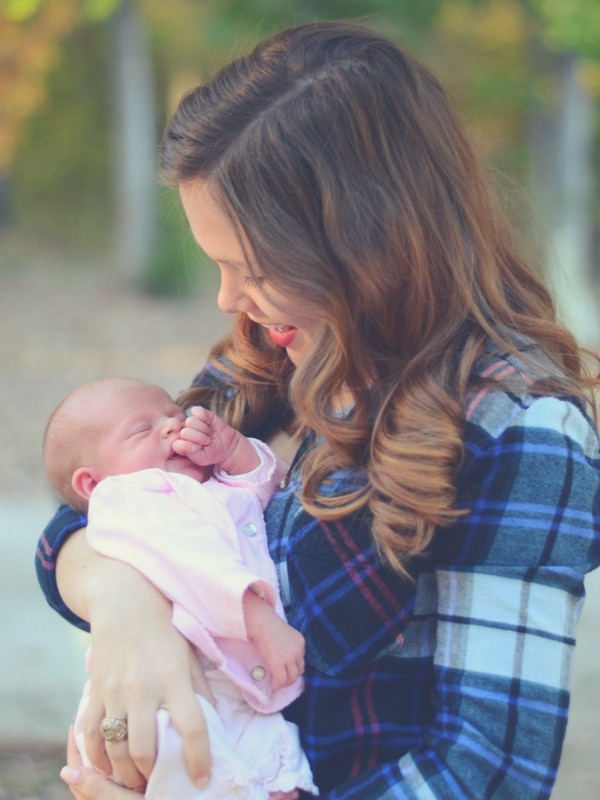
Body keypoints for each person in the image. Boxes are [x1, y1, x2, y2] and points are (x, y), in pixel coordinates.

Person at [35, 20, 600, 800]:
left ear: (365, 242)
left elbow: (485, 772)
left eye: (253, 267)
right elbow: (85, 506)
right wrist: (125, 606)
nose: (229, 298)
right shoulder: (271, 354)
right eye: (220, 266)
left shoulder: (520, 425)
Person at [42, 376, 317, 800]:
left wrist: (238, 454)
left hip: (237, 682)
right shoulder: (130, 500)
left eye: (174, 413)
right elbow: (193, 559)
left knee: (272, 769)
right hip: (177, 681)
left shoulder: (204, 486)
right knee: (192, 765)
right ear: (92, 484)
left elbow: (277, 496)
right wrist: (260, 621)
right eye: (141, 429)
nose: (173, 425)